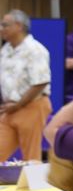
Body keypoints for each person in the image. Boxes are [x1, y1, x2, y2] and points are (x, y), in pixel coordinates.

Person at [0, 10, 52, 161]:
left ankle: (32, 185)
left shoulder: (35, 50)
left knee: (30, 157)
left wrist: (18, 105)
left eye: (5, 25)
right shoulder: (6, 50)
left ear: (19, 26)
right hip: (9, 109)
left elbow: (41, 81)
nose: (1, 28)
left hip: (31, 106)